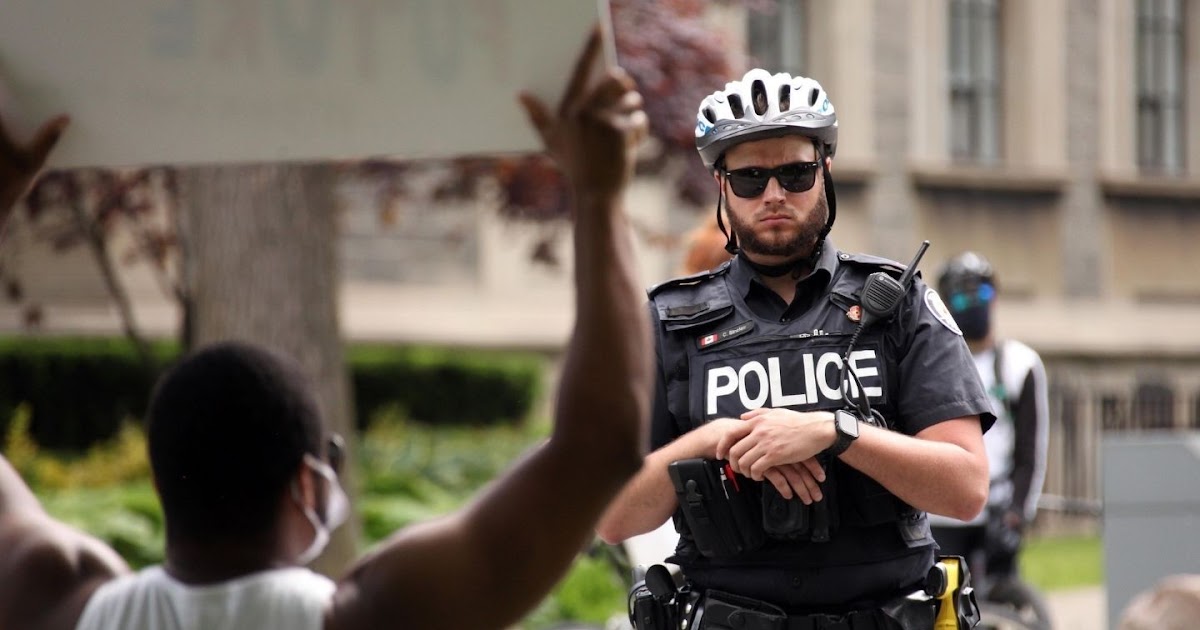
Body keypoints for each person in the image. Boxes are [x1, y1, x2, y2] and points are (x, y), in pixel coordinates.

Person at [0, 29, 655, 630]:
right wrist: (599, 193)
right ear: (308, 484)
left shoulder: (52, 601)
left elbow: (601, 446)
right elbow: (601, 446)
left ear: (161, 481)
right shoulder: (370, 616)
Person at [596, 68, 994, 629]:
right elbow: (611, 517)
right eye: (750, 178)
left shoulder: (898, 304)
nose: (774, 195)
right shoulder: (668, 323)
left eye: (795, 173)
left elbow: (967, 489)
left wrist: (836, 432)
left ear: (825, 171)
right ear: (722, 186)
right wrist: (715, 439)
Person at [928, 252, 1050, 594]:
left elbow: (1031, 451)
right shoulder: (928, 363)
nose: (973, 304)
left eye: (981, 293)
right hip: (942, 516)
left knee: (999, 603)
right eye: (960, 296)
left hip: (998, 511)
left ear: (995, 297)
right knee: (946, 605)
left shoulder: (1020, 364)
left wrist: (1019, 513)